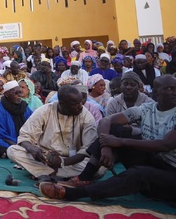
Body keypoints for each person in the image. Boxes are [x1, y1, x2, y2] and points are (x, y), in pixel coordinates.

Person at [39, 75, 176, 203]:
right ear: (156, 91)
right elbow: (107, 121)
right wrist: (106, 147)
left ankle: (74, 193)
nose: (175, 91)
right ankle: (84, 178)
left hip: (170, 173)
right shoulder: (147, 109)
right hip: (153, 161)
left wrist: (119, 142)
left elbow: (166, 145)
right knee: (116, 129)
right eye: (170, 88)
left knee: (138, 174)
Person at [6, 85, 100, 184]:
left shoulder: (86, 116)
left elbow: (87, 149)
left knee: (98, 168)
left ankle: (43, 173)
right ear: (63, 104)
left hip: (73, 161)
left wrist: (62, 162)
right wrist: (32, 149)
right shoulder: (45, 110)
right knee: (12, 150)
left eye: (81, 103)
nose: (80, 106)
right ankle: (53, 175)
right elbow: (25, 136)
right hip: (46, 158)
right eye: (76, 104)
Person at [0, 81, 33, 158]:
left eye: (20, 93)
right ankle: (17, 151)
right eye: (16, 93)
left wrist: (24, 142)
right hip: (6, 140)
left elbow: (32, 125)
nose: (19, 96)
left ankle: (13, 152)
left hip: (24, 140)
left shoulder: (24, 107)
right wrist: (15, 144)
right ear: (7, 94)